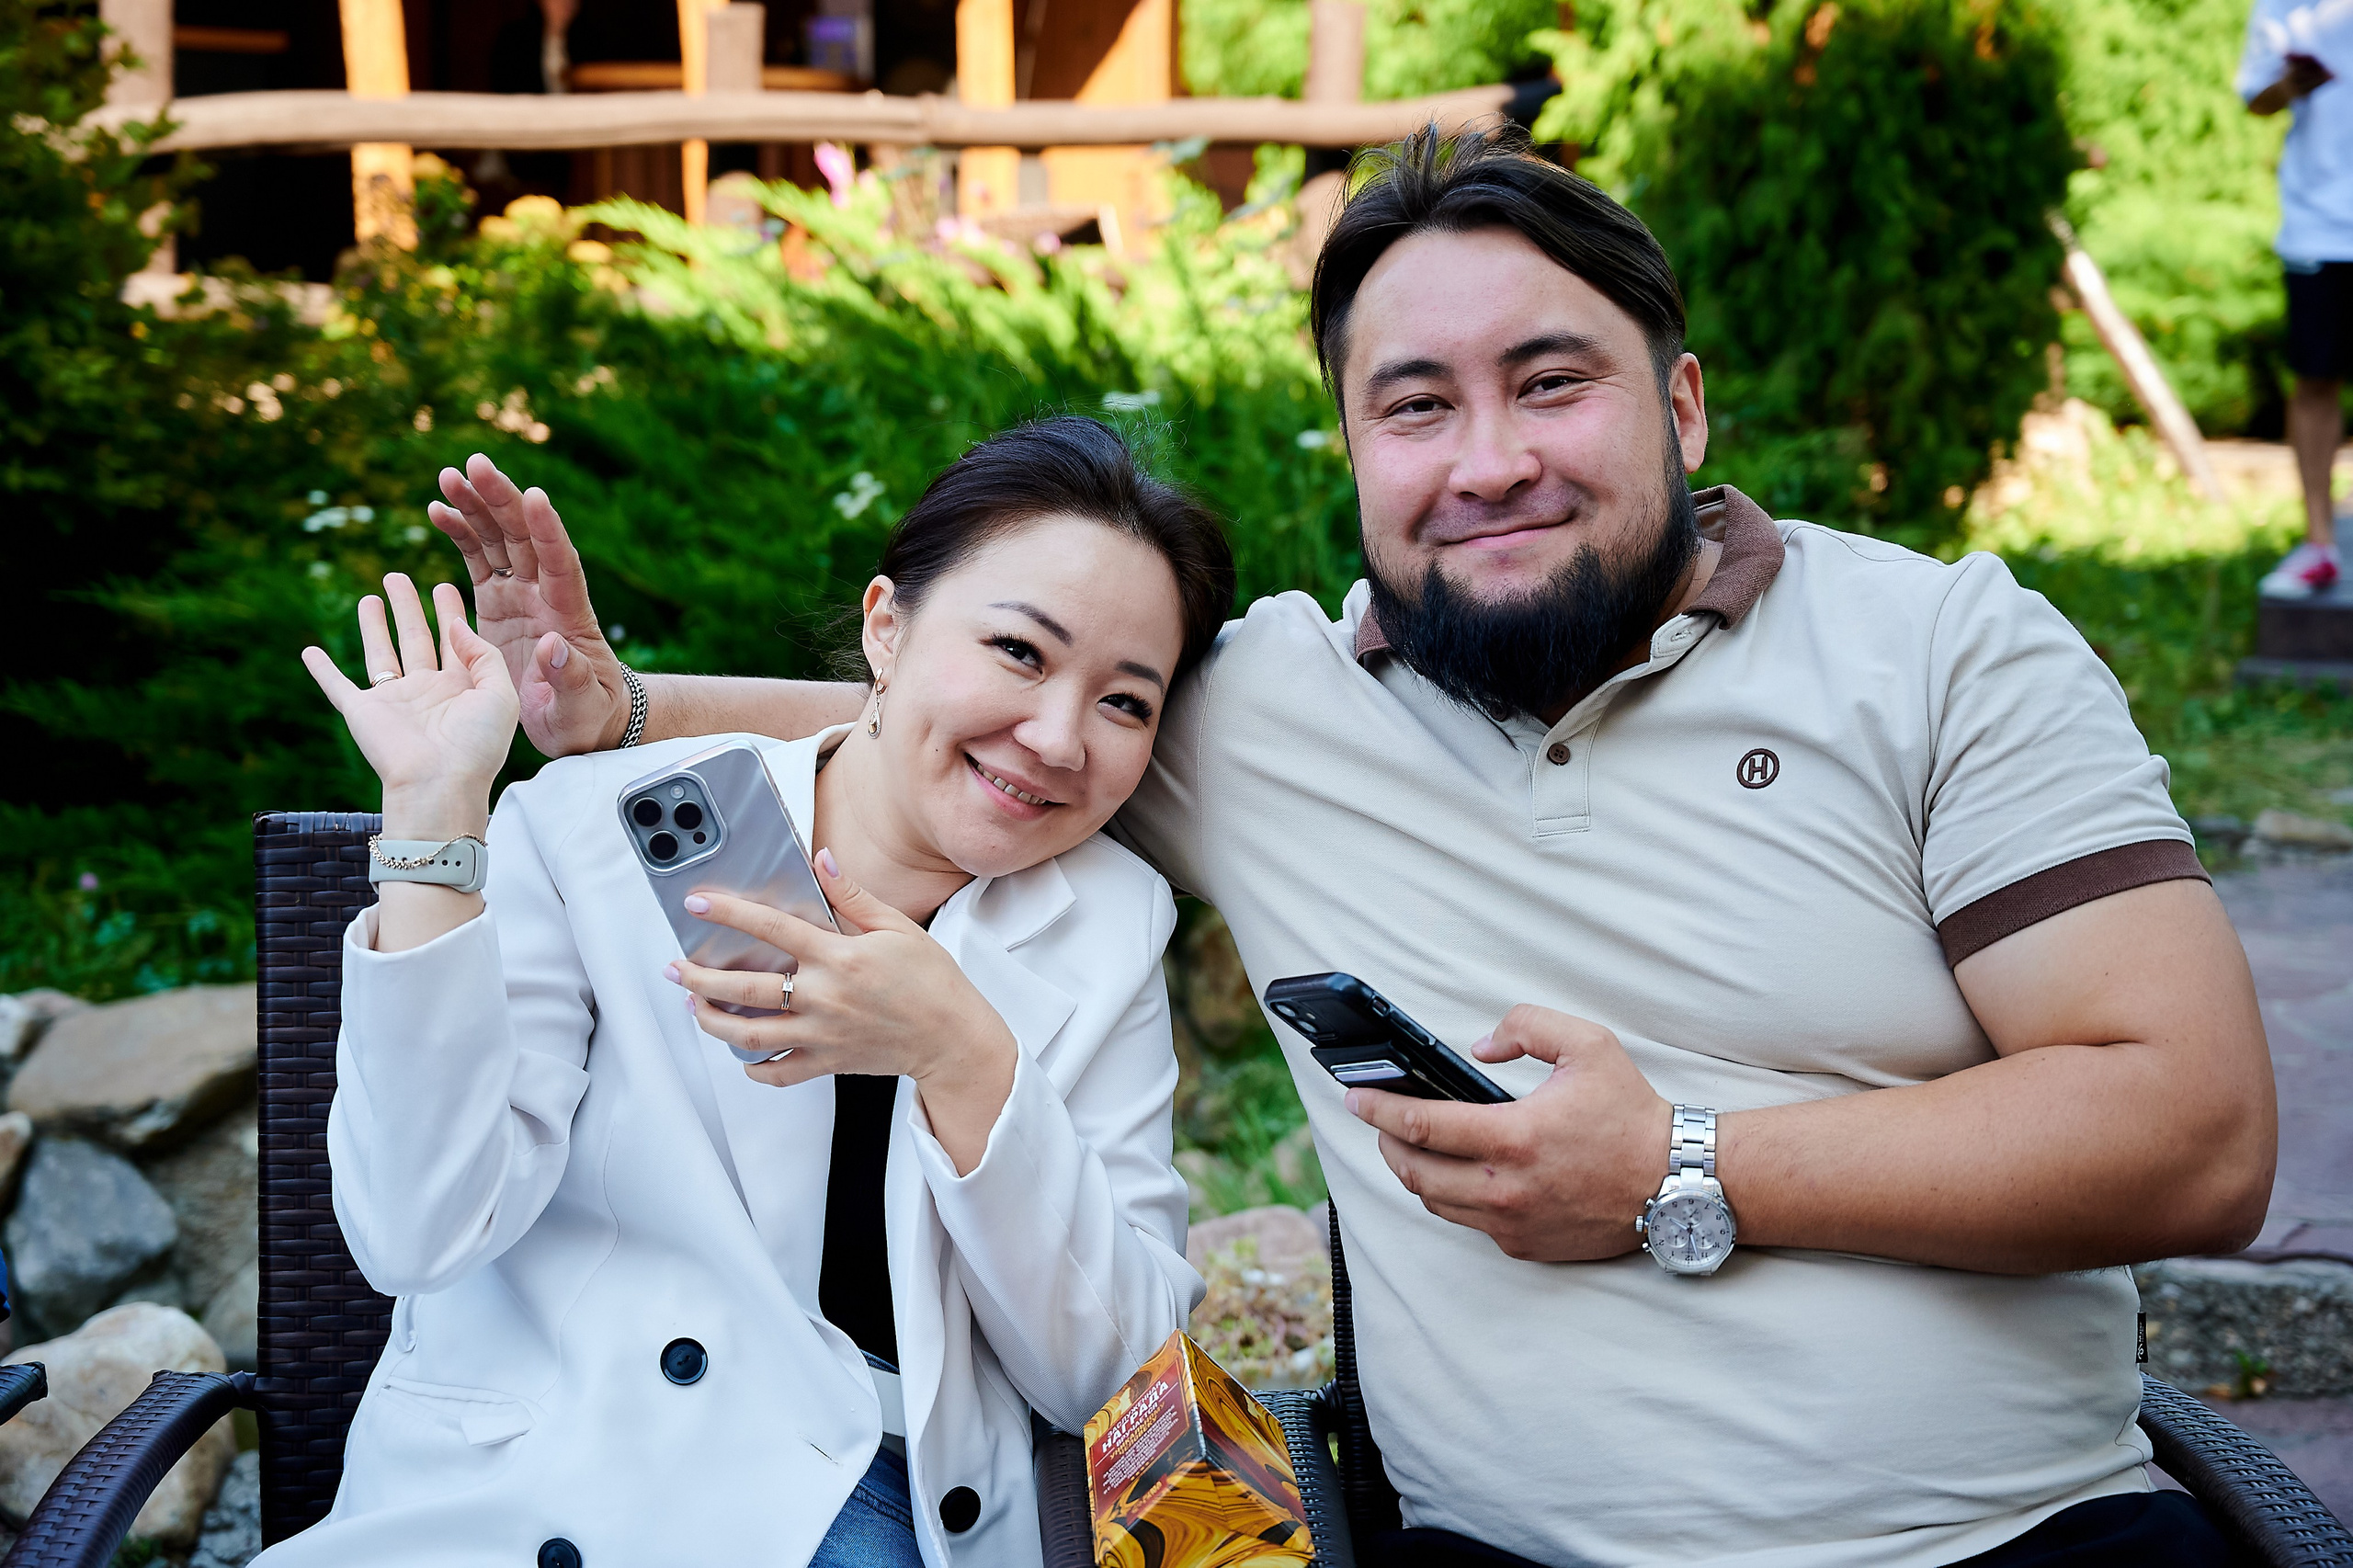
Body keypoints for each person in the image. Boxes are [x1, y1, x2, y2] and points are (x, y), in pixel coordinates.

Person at [436, 127, 2277, 1567]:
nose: (1486, 462)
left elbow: (2196, 1135)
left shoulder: (1941, 649)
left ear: (1681, 404)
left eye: (1550, 382)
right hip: (1510, 1560)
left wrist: (1674, 1164)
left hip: (2011, 1544)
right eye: (1415, 406)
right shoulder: (1260, 714)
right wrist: (621, 707)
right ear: (1351, 452)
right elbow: (981, 718)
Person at [269, 417, 1233, 1568]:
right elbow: (418, 1231)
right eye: (1019, 651)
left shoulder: (1107, 918)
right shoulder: (589, 833)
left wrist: (963, 1055)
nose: (1058, 737)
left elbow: (1118, 1370)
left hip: (883, 1493)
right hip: (556, 1479)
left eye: (1125, 701)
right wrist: (433, 816)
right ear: (886, 626)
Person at [2243, 0, 2353, 597]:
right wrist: (2290, 84)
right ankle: (2319, 543)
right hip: (2318, 225)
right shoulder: (2282, 8)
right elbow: (2256, 98)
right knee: (2315, 380)